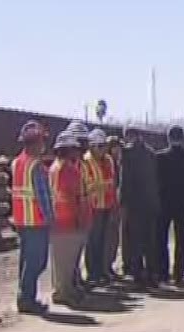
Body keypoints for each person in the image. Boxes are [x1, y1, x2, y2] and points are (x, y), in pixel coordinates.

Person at [8, 120, 55, 316]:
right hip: (36, 221)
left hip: (21, 220)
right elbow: (42, 195)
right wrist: (50, 217)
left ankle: (25, 296)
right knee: (37, 262)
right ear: (35, 143)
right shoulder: (35, 165)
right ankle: (27, 299)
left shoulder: (17, 162)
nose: (44, 145)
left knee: (26, 261)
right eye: (42, 141)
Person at [46, 128, 93, 309]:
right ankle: (63, 293)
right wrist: (82, 217)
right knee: (66, 262)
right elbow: (75, 196)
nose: (77, 151)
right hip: (68, 220)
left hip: (60, 220)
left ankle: (66, 290)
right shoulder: (66, 169)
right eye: (74, 148)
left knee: (63, 261)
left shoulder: (55, 167)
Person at [155, 125, 184, 285]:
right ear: (182, 138)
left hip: (164, 204)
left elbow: (155, 183)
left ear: (168, 138)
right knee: (182, 240)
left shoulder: (159, 158)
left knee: (161, 239)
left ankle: (163, 273)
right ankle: (179, 274)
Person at [118, 127, 161, 287]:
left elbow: (125, 180)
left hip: (134, 203)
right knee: (150, 240)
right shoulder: (151, 152)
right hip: (150, 202)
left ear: (129, 136)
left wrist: (122, 201)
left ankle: (137, 273)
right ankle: (152, 272)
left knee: (134, 239)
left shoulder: (127, 153)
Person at [83, 129, 120, 287]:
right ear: (91, 146)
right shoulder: (87, 161)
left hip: (108, 205)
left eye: (103, 145)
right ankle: (93, 273)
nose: (101, 149)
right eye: (97, 146)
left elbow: (113, 181)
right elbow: (88, 185)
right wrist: (103, 185)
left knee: (106, 241)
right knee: (93, 241)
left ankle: (104, 270)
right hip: (94, 206)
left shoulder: (108, 161)